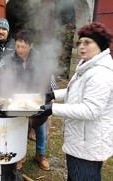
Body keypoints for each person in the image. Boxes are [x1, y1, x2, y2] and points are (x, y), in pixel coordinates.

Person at [37, 22, 113, 180]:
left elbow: (90, 110)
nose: (81, 47)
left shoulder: (100, 73)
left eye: (87, 42)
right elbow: (77, 91)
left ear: (100, 44)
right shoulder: (88, 66)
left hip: (88, 145)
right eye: (79, 43)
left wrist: (53, 109)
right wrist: (53, 95)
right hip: (82, 139)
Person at [0, 30, 56, 171]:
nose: (19, 50)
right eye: (17, 46)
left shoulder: (39, 59)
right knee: (20, 127)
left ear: (31, 46)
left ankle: (40, 155)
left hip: (35, 97)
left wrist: (52, 96)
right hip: (17, 97)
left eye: (23, 46)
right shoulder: (10, 58)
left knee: (40, 127)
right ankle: (20, 156)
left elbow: (50, 77)